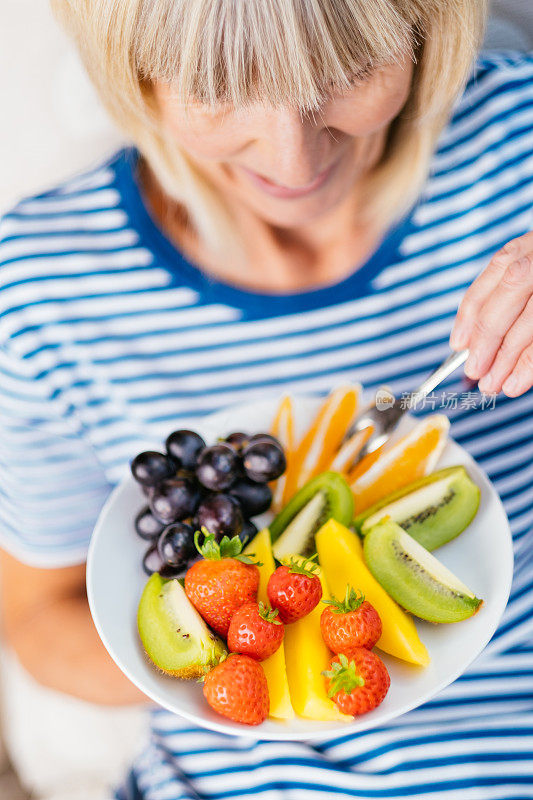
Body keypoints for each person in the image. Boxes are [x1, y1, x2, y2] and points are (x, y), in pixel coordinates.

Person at [1, 0, 532, 797]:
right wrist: (242, 668)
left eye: (350, 70)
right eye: (217, 86)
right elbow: (37, 620)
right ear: (131, 71)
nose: (292, 160)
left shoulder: (517, 138)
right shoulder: (41, 289)